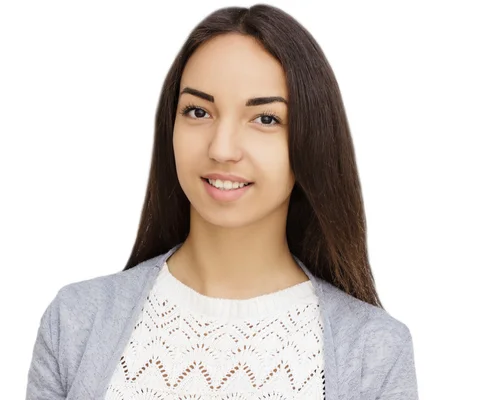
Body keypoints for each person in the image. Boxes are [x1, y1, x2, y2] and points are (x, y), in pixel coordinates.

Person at [25, 4, 418, 400]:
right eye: (198, 111)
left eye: (265, 119)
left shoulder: (375, 352)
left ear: (311, 141)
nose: (222, 148)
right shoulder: (76, 321)